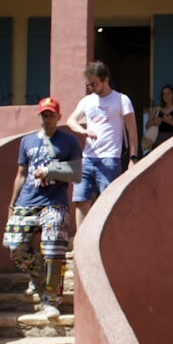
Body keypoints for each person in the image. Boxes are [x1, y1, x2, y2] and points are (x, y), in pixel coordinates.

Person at [4, 97, 83, 321]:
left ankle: (51, 300)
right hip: (27, 201)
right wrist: (12, 204)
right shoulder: (27, 142)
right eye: (43, 115)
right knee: (14, 246)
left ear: (58, 117)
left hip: (54, 202)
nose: (46, 119)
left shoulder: (69, 142)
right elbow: (21, 174)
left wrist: (49, 171)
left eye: (50, 115)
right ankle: (38, 272)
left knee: (53, 250)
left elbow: (76, 173)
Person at [67, 60, 139, 230]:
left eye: (94, 84)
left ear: (105, 80)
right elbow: (71, 120)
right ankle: (81, 243)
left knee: (107, 201)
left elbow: (133, 132)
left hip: (110, 158)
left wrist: (133, 158)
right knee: (80, 200)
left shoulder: (121, 100)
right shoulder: (87, 101)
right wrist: (82, 131)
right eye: (88, 84)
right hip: (87, 158)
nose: (91, 87)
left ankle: (103, 239)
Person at [144, 84, 173, 150]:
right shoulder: (156, 109)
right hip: (158, 141)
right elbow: (147, 126)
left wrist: (171, 122)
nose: (166, 96)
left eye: (168, 93)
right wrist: (154, 122)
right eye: (164, 94)